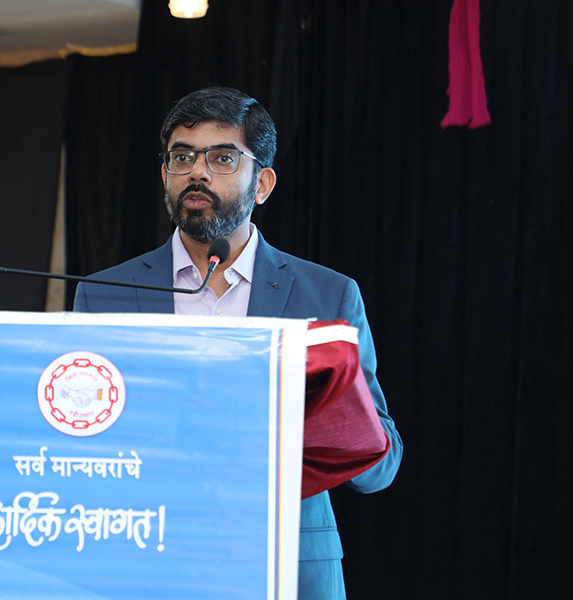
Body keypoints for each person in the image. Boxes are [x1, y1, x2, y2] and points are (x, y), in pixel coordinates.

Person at [73, 86, 403, 599]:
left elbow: (381, 465)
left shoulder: (327, 295)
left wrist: (323, 420)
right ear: (164, 174)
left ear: (262, 183)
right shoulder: (104, 294)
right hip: (145, 558)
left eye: (223, 158)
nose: (198, 173)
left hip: (285, 563)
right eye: (182, 157)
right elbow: (80, 443)